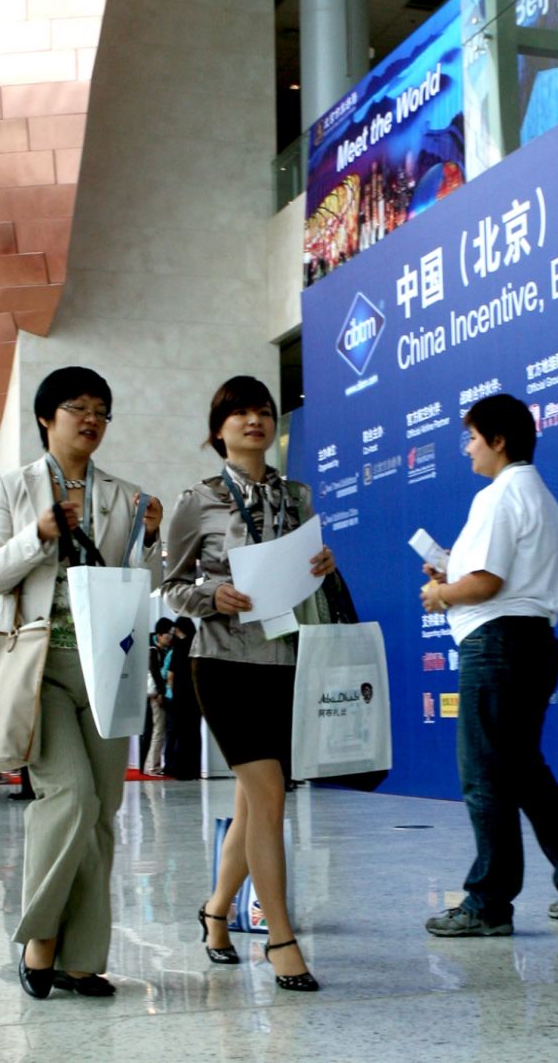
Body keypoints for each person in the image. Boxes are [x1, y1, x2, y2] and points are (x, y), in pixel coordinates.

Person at [0, 365, 162, 1000]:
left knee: (103, 812)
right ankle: (41, 936)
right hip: (37, 669)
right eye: (78, 407)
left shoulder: (125, 495)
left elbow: (145, 582)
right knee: (71, 795)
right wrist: (39, 534)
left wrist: (150, 538)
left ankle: (83, 957)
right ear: (45, 417)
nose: (92, 420)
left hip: (108, 665)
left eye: (101, 411)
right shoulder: (12, 488)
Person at [163, 375, 335, 992]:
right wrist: (213, 595)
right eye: (240, 413)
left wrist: (323, 567)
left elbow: (305, 579)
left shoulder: (297, 496)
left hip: (285, 662)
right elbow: (172, 586)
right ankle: (280, 938)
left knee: (252, 803)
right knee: (268, 795)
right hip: (223, 662)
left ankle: (215, 912)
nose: (254, 421)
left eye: (263, 411)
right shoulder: (198, 500)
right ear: (219, 430)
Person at [418, 393, 558, 938]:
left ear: (498, 441)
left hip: (496, 644)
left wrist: (441, 594)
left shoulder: (498, 496)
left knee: (485, 776)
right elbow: (497, 575)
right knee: (523, 770)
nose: (467, 449)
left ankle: (488, 903)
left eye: (473, 438)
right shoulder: (536, 493)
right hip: (533, 642)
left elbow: (486, 583)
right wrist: (453, 577)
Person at [163, 617, 201, 779]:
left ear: (178, 629)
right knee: (194, 733)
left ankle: (181, 769)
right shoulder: (198, 645)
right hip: (196, 697)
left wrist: (173, 693)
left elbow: (170, 675)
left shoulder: (179, 647)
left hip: (181, 697)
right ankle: (194, 769)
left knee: (180, 733)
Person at [142, 618, 174, 776]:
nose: (170, 638)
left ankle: (152, 765)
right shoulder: (153, 651)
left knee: (159, 730)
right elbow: (155, 673)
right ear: (159, 635)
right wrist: (161, 692)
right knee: (158, 730)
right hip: (156, 695)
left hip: (159, 693)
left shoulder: (164, 650)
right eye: (168, 634)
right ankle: (152, 766)